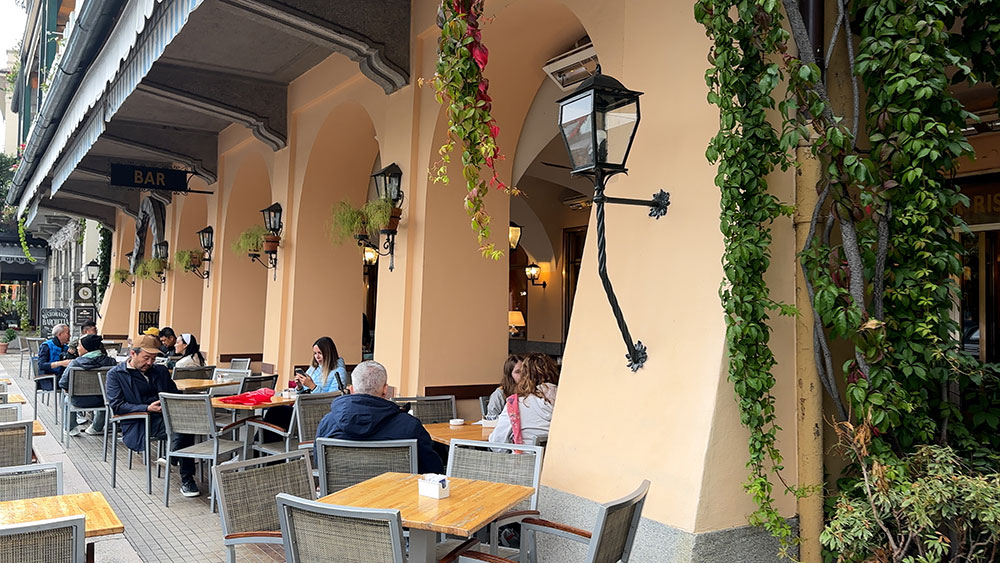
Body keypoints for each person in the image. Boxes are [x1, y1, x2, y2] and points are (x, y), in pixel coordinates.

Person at [105, 334, 200, 497]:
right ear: (133, 354)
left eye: (154, 358)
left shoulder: (160, 371)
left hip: (165, 417)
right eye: (146, 358)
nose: (150, 362)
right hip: (138, 421)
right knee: (182, 427)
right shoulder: (116, 374)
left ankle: (175, 460)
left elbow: (174, 393)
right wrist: (147, 408)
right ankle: (183, 472)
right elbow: (117, 405)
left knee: (187, 422)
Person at [315, 361, 444, 473]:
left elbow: (319, 465)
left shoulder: (327, 423)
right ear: (385, 390)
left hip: (342, 494)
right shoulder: (409, 426)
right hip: (397, 493)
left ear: (352, 389)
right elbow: (434, 470)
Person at [260, 337, 348, 441]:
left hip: (317, 413)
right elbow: (304, 392)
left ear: (329, 353)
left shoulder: (339, 372)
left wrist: (312, 386)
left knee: (276, 412)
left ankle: (260, 445)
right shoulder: (314, 368)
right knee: (276, 412)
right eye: (315, 353)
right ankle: (264, 444)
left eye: (320, 353)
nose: (317, 357)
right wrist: (299, 387)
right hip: (304, 408)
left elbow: (332, 400)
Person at [489, 353, 558, 446]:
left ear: (526, 375)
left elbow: (497, 443)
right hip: (559, 454)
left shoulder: (516, 404)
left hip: (525, 454)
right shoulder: (566, 399)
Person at [60, 334, 116, 436]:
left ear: (86, 348)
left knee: (67, 399)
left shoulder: (75, 363)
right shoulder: (110, 362)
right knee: (106, 396)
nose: (77, 348)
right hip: (102, 400)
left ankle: (70, 428)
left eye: (79, 345)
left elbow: (63, 383)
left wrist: (69, 392)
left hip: (78, 400)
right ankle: (96, 428)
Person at [486, 354, 522, 419]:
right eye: (517, 372)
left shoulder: (530, 392)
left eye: (524, 371)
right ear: (509, 375)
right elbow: (491, 419)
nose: (522, 375)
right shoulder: (499, 394)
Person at [37, 324, 72, 391]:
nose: (70, 335)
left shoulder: (66, 348)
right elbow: (41, 365)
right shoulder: (46, 346)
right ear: (60, 334)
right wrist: (60, 363)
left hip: (62, 377)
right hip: (48, 379)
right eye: (68, 333)